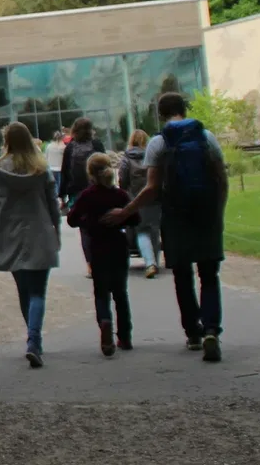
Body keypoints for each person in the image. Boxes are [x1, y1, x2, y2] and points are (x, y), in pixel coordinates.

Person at [106, 92, 229, 362]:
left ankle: (193, 333)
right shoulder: (206, 137)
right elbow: (221, 178)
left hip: (174, 215)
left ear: (160, 113)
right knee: (209, 275)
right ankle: (211, 329)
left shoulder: (158, 143)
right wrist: (218, 210)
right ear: (184, 109)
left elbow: (151, 188)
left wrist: (125, 211)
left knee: (182, 275)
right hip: (206, 214)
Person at [0, 122, 60, 368]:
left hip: (9, 233)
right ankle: (34, 341)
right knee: (38, 291)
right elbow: (52, 204)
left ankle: (33, 338)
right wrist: (56, 231)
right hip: (39, 231)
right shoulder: (41, 169)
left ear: (7, 141)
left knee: (24, 291)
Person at [67, 154, 135, 356]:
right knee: (121, 293)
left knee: (101, 292)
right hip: (118, 245)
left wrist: (88, 223)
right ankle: (125, 336)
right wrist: (120, 220)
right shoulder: (120, 195)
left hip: (97, 247)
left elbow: (71, 219)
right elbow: (136, 218)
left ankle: (104, 321)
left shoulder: (87, 196)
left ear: (89, 173)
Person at [59, 118, 106, 278]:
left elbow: (65, 172)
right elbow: (105, 166)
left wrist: (62, 195)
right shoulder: (97, 144)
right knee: (101, 226)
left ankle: (91, 266)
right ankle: (103, 260)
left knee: (85, 230)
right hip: (98, 189)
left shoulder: (70, 148)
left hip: (77, 194)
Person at [120, 129, 161, 279]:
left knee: (141, 231)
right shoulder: (152, 156)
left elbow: (123, 181)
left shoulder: (126, 158)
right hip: (154, 198)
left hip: (135, 199)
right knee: (154, 230)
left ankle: (150, 263)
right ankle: (154, 260)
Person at [44, 131, 67, 197]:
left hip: (50, 168)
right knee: (59, 185)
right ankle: (58, 199)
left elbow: (46, 157)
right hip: (60, 169)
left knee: (52, 186)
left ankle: (53, 198)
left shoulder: (49, 146)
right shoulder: (63, 147)